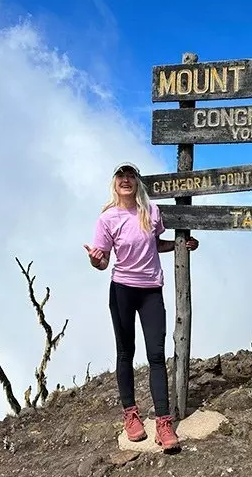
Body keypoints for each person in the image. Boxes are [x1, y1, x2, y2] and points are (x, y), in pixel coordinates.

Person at [83, 162, 199, 452]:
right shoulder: (107, 218)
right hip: (122, 290)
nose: (126, 180)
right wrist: (95, 260)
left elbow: (154, 245)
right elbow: (103, 262)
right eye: (121, 176)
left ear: (137, 182)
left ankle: (163, 422)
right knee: (125, 352)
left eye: (130, 176)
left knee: (156, 355)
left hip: (151, 291)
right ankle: (131, 415)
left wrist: (181, 244)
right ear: (115, 183)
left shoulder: (151, 211)